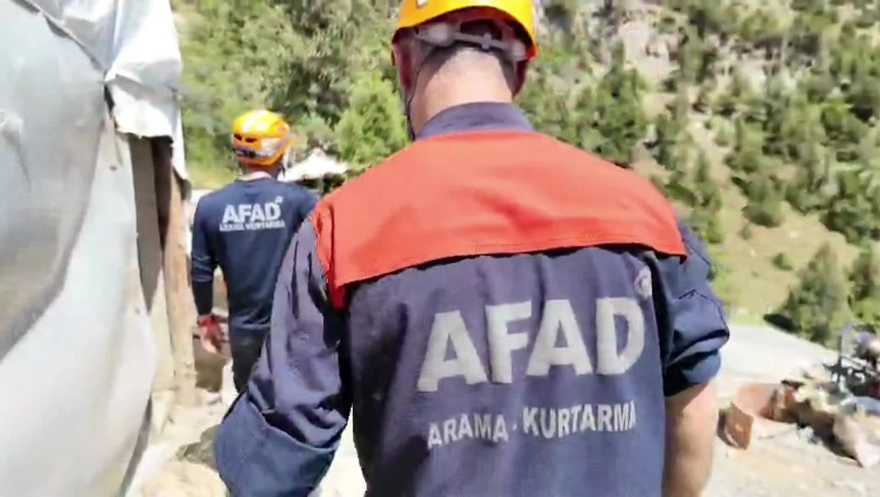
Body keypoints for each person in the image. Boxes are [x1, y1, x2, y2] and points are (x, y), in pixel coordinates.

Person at [214, 2, 730, 496]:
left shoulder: (342, 228)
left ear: (404, 62)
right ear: (520, 71)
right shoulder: (644, 212)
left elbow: (272, 465)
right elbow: (693, 403)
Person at [190, 109, 318, 392]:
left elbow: (200, 271)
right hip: (295, 329)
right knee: (295, 405)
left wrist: (205, 319)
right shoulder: (302, 202)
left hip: (244, 334)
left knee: (251, 406)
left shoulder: (210, 207)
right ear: (280, 153)